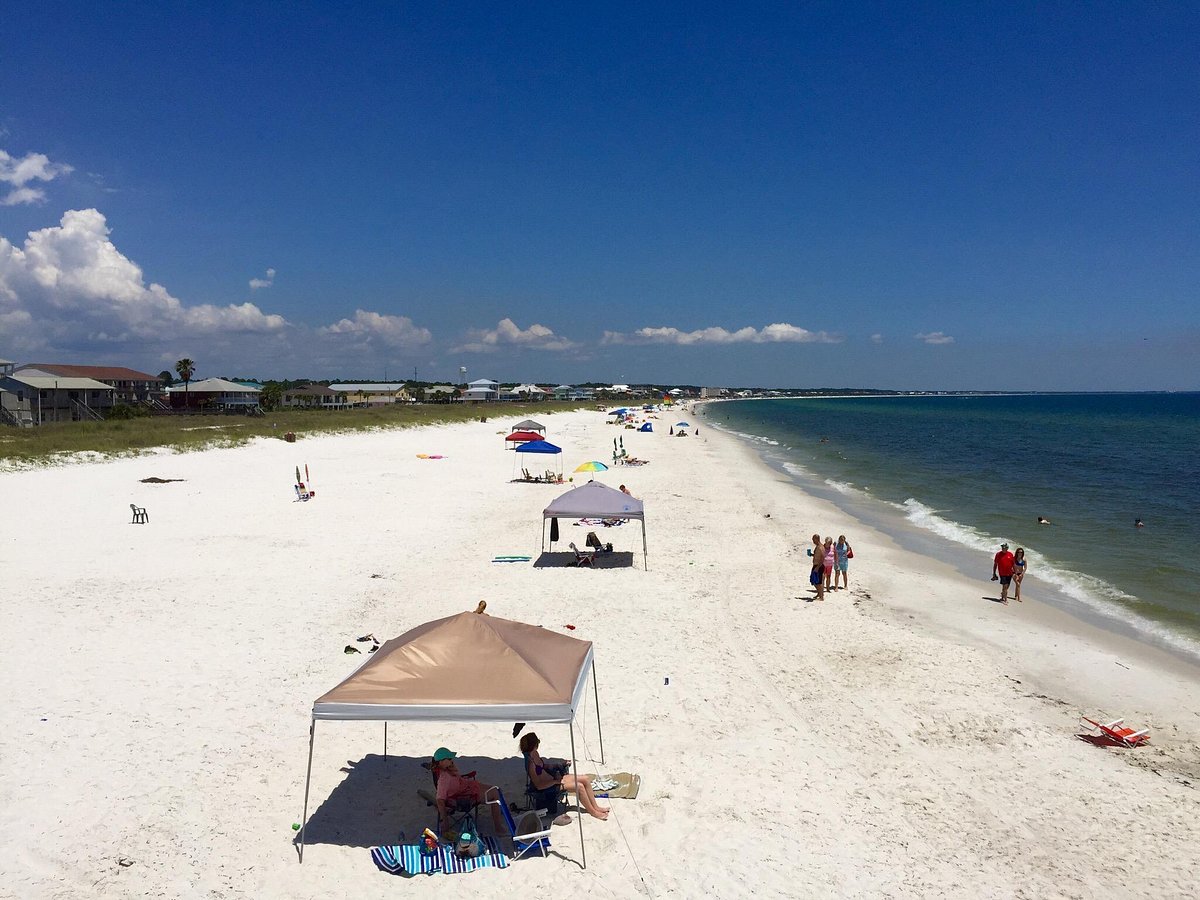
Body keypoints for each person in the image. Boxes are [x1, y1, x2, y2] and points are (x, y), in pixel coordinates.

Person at [519, 732, 609, 821]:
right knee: (579, 787)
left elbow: (544, 766)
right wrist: (555, 782)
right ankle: (593, 812)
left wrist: (559, 764)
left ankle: (596, 807)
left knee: (585, 779)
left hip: (553, 778)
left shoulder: (535, 753)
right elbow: (539, 786)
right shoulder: (531, 765)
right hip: (548, 787)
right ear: (534, 744)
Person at [432, 747, 506, 835]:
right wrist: (445, 821)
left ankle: (498, 812)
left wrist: (453, 769)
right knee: (495, 794)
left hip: (467, 787)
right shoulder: (444, 779)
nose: (451, 760)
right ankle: (498, 828)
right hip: (464, 796)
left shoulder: (447, 769)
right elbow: (440, 800)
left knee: (496, 789)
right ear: (441, 762)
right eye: (449, 759)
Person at [808, 533, 825, 601]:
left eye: (813, 539)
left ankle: (821, 597)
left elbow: (822, 558)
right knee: (814, 580)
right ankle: (819, 594)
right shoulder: (818, 546)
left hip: (818, 566)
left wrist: (817, 567)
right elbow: (817, 555)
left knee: (818, 582)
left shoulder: (820, 547)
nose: (812, 541)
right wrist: (812, 555)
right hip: (816, 565)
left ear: (817, 539)